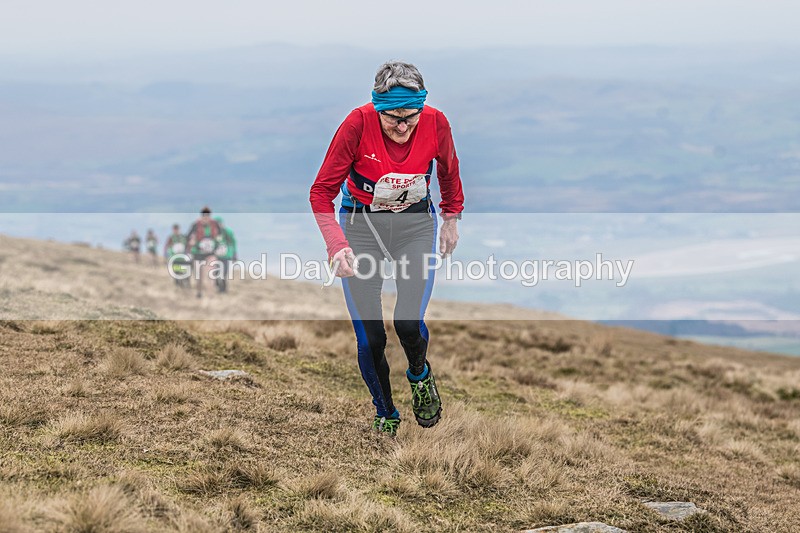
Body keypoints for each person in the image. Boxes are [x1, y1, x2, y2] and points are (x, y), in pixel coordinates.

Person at [310, 61, 464, 436]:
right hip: (361, 228)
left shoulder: (435, 122)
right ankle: (385, 412)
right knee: (371, 336)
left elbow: (448, 170)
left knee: (408, 323)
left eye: (410, 117)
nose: (402, 126)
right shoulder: (356, 125)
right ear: (378, 108)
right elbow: (321, 193)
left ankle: (420, 376)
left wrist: (451, 217)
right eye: (393, 117)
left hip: (414, 225)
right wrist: (336, 245)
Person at [185, 206, 222, 298]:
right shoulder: (195, 225)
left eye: (208, 216)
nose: (206, 218)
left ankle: (211, 296)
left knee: (210, 275)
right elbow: (187, 237)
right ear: (201, 216)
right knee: (199, 278)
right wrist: (191, 242)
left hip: (211, 254)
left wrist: (218, 244)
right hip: (198, 254)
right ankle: (199, 293)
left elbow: (221, 236)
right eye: (204, 216)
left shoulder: (215, 224)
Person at [213, 216, 237, 293]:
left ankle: (223, 289)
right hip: (216, 256)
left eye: (219, 223)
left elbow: (233, 243)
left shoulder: (228, 232)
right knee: (216, 272)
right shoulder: (214, 233)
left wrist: (234, 254)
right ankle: (218, 286)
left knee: (223, 273)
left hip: (226, 256)